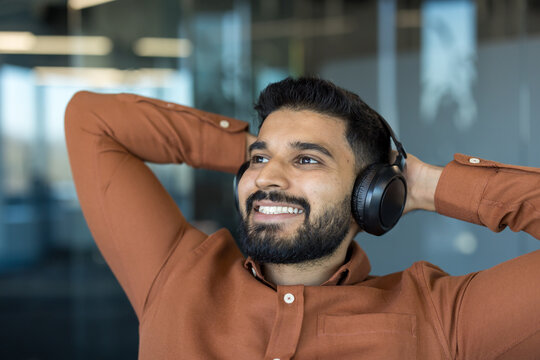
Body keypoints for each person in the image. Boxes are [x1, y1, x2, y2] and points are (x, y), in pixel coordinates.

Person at [65, 77, 540, 360]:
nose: (267, 178)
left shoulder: (439, 317)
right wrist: (256, 147)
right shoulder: (177, 276)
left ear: (371, 195)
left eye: (308, 160)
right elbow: (91, 119)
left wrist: (427, 185)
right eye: (258, 160)